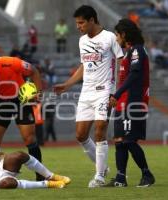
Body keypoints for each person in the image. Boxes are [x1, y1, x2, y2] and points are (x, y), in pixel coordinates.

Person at [53, 5, 123, 187]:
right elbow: (84, 66)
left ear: (92, 20)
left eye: (81, 22)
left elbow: (121, 64)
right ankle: (103, 167)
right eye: (77, 23)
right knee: (81, 135)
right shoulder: (82, 40)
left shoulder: (109, 38)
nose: (78, 26)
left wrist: (117, 92)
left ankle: (99, 176)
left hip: (105, 90)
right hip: (87, 91)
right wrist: (68, 84)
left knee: (100, 130)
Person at [106, 19, 155, 187]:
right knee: (119, 141)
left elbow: (134, 76)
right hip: (123, 102)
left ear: (124, 34)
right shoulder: (129, 52)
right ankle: (120, 178)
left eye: (117, 34)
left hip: (133, 101)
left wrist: (116, 94)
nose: (116, 38)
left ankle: (147, 174)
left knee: (129, 140)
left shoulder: (137, 50)